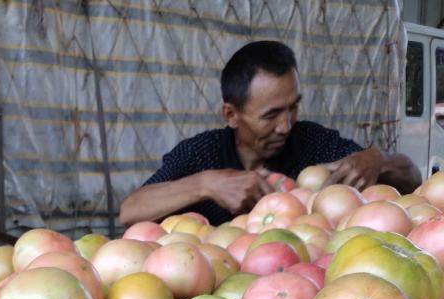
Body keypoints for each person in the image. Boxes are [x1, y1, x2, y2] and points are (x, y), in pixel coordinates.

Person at [119, 41, 422, 228]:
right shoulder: (201, 153)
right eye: (271, 115)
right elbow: (130, 210)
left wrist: (377, 160)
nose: (286, 126)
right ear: (231, 115)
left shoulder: (311, 143)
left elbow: (413, 179)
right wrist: (205, 184)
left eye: (293, 108)